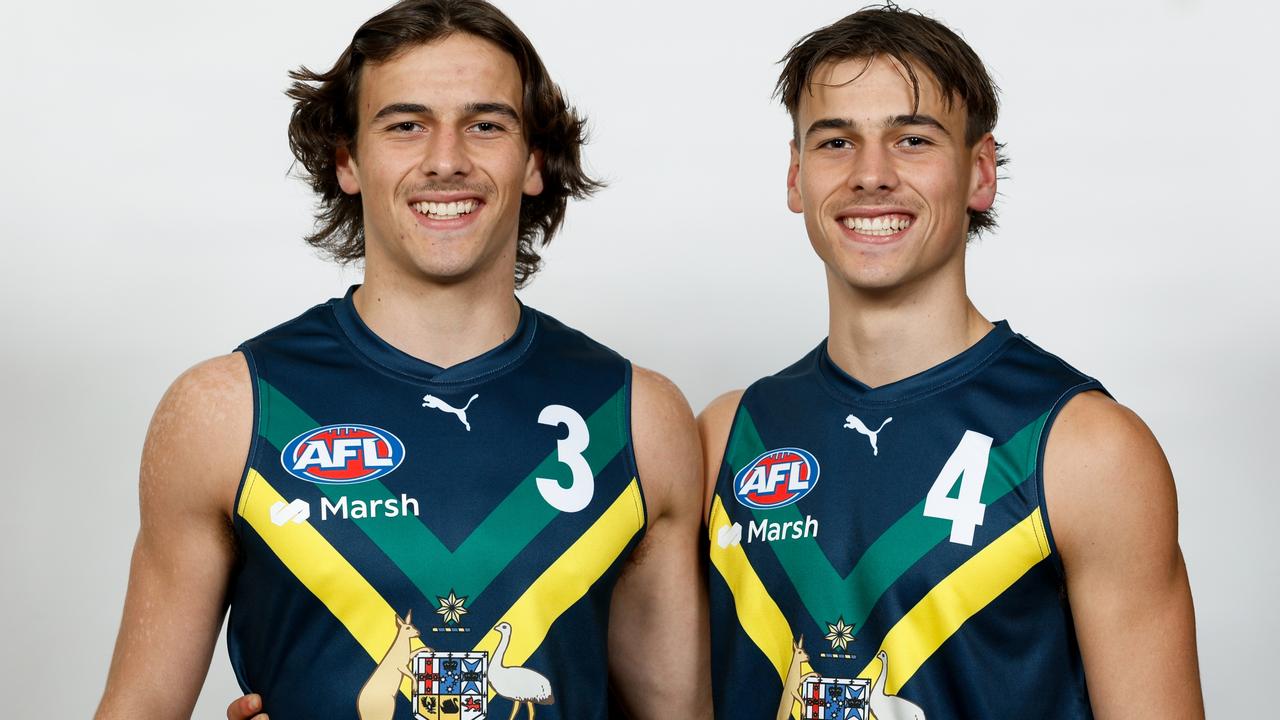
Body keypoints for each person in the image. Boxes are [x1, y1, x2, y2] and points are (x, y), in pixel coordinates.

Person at [95, 2, 708, 719]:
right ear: (348, 159)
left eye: (485, 124)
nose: (446, 160)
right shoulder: (228, 411)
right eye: (405, 124)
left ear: (535, 160)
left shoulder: (637, 418)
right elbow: (136, 707)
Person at [701, 6, 1204, 719]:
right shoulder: (727, 437)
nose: (871, 175)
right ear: (796, 177)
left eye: (912, 139)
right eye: (836, 140)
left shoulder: (1083, 449)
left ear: (979, 173)